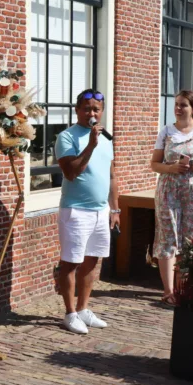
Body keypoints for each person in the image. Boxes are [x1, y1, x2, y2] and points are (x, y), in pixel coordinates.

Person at [55, 89, 119, 335]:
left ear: (101, 112)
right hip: (76, 210)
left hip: (101, 211)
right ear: (77, 110)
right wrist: (91, 145)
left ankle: (83, 309)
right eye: (86, 108)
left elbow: (111, 176)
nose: (91, 113)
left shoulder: (106, 138)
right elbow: (71, 172)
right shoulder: (66, 137)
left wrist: (115, 208)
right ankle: (70, 313)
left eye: (96, 109)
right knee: (71, 262)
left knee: (92, 261)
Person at [151, 90, 193, 306]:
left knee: (191, 237)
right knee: (168, 235)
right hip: (169, 189)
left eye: (183, 105)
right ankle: (168, 291)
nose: (178, 108)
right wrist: (171, 168)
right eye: (177, 104)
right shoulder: (166, 131)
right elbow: (154, 164)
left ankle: (184, 289)